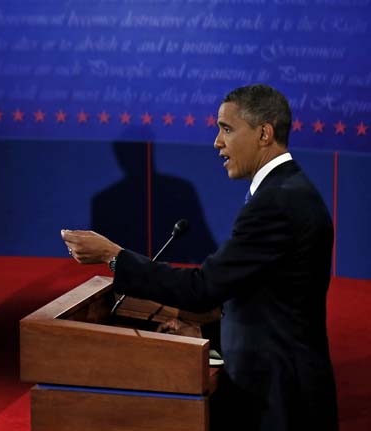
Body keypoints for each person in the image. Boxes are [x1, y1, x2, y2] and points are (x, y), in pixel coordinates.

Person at [61, 84, 338, 431]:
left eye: (226, 129)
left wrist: (114, 256)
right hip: (279, 380)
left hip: (280, 395)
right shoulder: (285, 190)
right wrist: (205, 330)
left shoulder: (277, 202)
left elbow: (203, 286)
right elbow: (267, 299)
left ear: (264, 133)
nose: (216, 143)